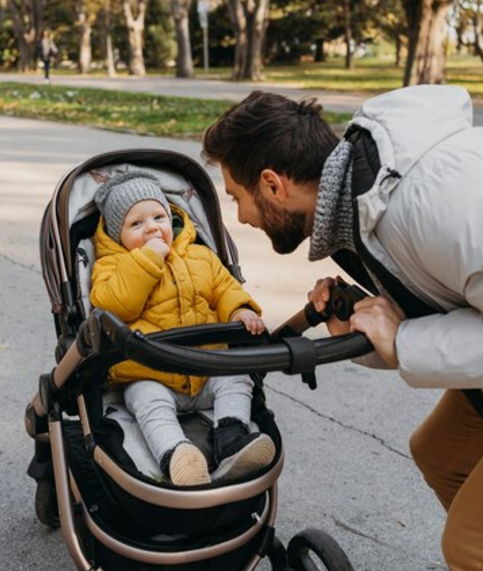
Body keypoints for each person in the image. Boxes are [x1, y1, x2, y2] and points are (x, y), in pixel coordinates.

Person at [202, 86, 483, 571]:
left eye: (237, 198)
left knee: (468, 544)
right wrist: (363, 325)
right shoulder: (358, 206)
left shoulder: (422, 203)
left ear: (272, 184)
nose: (242, 218)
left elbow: (408, 336)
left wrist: (403, 341)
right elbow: (430, 307)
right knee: (440, 453)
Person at [90, 170, 276, 487]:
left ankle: (231, 438)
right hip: (150, 373)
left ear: (171, 217)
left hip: (204, 368)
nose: (151, 227)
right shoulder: (112, 266)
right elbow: (115, 304)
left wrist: (240, 309)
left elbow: (224, 288)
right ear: (116, 232)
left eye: (159, 217)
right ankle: (177, 455)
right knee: (148, 401)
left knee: (236, 376)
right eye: (136, 224)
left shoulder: (200, 256)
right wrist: (147, 261)